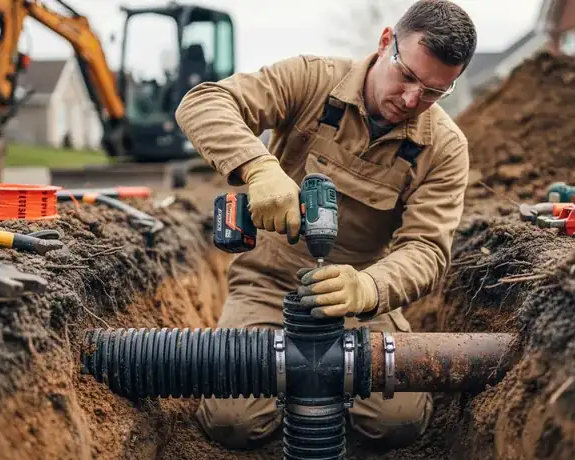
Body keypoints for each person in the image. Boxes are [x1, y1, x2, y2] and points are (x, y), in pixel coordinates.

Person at [175, 0, 476, 450]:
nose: (413, 100)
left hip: (359, 297)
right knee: (232, 422)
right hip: (268, 285)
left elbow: (428, 249)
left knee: (395, 422)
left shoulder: (445, 147)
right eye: (408, 77)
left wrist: (370, 288)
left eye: (434, 92)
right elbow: (204, 102)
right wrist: (259, 168)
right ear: (385, 42)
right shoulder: (312, 79)